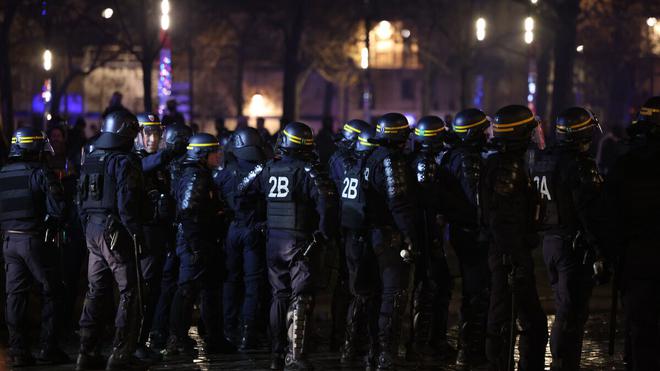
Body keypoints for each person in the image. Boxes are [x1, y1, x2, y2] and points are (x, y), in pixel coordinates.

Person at [255, 121, 339, 370]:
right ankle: (296, 356)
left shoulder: (269, 168)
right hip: (300, 242)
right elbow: (326, 205)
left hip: (273, 241)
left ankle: (276, 355)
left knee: (278, 297)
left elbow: (244, 192)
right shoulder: (308, 171)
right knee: (300, 297)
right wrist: (324, 235)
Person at [530, 107, 605, 370]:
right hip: (572, 246)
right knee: (570, 313)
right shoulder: (579, 166)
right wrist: (599, 249)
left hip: (550, 242)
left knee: (564, 306)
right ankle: (564, 364)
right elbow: (589, 210)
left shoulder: (543, 160)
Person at [480, 105, 548, 371]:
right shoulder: (507, 168)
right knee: (513, 319)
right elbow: (502, 218)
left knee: (516, 318)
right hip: (510, 254)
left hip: (510, 251)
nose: (534, 137)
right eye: (529, 131)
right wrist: (514, 257)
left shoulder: (504, 162)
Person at [76, 111, 145, 370]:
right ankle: (120, 355)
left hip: (92, 231)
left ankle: (86, 352)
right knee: (129, 292)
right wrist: (136, 233)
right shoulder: (124, 161)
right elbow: (127, 203)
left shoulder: (92, 158)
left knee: (96, 291)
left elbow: (80, 200)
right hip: (115, 231)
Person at [0, 127, 69, 367]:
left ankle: (18, 351)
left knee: (15, 297)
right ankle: (47, 348)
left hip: (9, 242)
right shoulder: (41, 172)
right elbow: (59, 209)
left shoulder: (3, 174)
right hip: (35, 241)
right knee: (53, 291)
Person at [601, 96, 660, 371]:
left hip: (635, 259)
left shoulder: (625, 165)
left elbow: (610, 218)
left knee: (640, 330)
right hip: (639, 256)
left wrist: (613, 257)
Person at [164, 133, 235, 356]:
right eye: (215, 152)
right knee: (187, 290)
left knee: (211, 288)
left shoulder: (202, 174)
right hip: (194, 242)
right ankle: (177, 339)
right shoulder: (196, 176)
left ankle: (214, 337)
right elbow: (188, 211)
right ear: (203, 154)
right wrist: (196, 246)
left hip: (205, 240)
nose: (218, 156)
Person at [362, 112, 419, 370]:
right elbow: (397, 201)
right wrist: (409, 234)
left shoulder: (368, 156)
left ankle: (370, 350)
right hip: (389, 236)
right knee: (393, 296)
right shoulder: (391, 161)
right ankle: (386, 353)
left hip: (367, 236)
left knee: (372, 295)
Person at [441, 108, 491, 369]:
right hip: (471, 233)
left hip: (460, 231)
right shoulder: (468, 159)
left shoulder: (452, 155)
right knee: (477, 293)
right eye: (483, 130)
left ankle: (467, 347)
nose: (487, 134)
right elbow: (477, 201)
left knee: (473, 292)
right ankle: (470, 349)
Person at [214, 127, 269, 351]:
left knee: (230, 281)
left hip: (232, 231)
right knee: (253, 283)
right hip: (254, 231)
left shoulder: (226, 171)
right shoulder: (263, 170)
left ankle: (229, 329)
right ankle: (248, 333)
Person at [407, 115, 455, 363]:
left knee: (436, 286)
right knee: (429, 288)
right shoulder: (424, 164)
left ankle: (429, 340)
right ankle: (422, 342)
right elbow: (429, 200)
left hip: (425, 233)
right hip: (426, 235)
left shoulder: (416, 160)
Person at [133, 113, 177, 361]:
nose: (152, 138)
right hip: (145, 234)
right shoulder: (134, 161)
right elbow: (142, 168)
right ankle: (135, 343)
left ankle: (143, 340)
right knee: (143, 291)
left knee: (154, 290)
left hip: (160, 233)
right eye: (147, 133)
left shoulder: (158, 163)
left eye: (156, 133)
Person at [149, 123, 193, 350]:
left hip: (170, 231)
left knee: (169, 284)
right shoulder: (177, 166)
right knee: (174, 284)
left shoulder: (165, 164)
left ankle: (160, 332)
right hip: (174, 232)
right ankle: (169, 333)